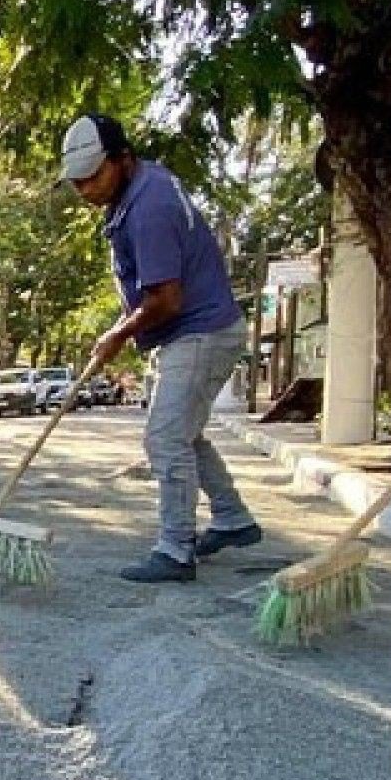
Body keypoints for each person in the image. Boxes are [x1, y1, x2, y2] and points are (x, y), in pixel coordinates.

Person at [61, 115, 261, 582]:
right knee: (184, 433)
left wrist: (118, 334)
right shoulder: (144, 187)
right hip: (195, 330)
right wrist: (124, 327)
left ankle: (175, 551)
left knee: (165, 438)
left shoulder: (149, 207)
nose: (85, 189)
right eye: (77, 182)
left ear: (121, 159)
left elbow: (167, 299)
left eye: (93, 177)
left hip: (200, 332)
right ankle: (233, 520)